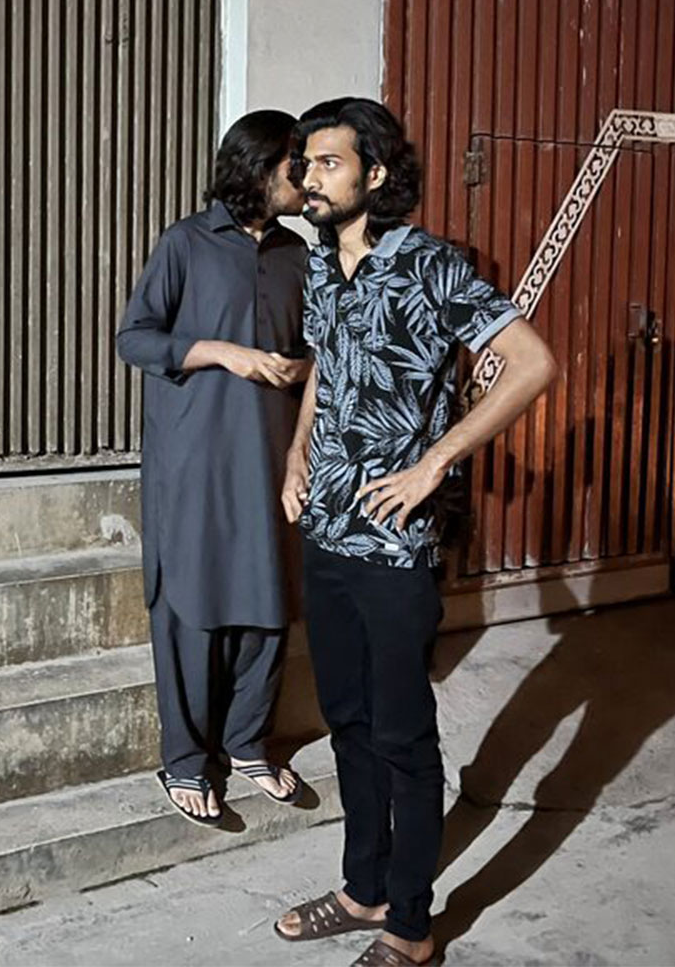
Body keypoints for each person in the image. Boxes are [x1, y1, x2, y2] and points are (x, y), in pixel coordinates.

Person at [274, 98, 556, 967]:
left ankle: (411, 924)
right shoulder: (322, 264)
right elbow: (325, 364)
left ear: (378, 175)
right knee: (349, 719)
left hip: (395, 545)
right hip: (326, 528)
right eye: (306, 164)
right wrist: (296, 456)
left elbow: (534, 363)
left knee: (400, 731)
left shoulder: (435, 267)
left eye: (328, 163)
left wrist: (437, 462)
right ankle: (363, 888)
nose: (309, 178)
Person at [117, 110, 312, 825]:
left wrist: (300, 369)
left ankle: (249, 742)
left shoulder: (298, 254)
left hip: (270, 454)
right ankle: (185, 761)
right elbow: (135, 338)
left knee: (267, 601)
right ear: (261, 168)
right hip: (195, 458)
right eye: (298, 164)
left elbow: (312, 346)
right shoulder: (186, 244)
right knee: (192, 606)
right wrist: (224, 352)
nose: (308, 178)